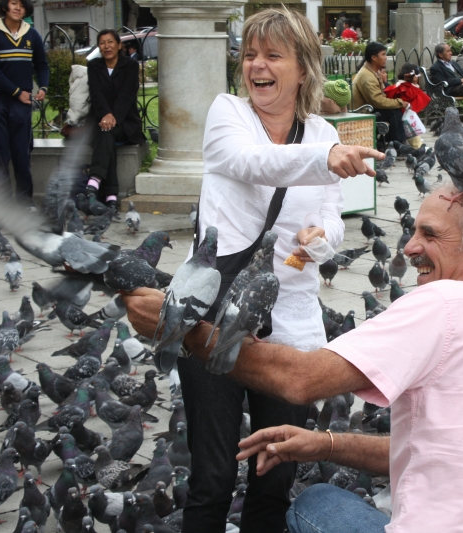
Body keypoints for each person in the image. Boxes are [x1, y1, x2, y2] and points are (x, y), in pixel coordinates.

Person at [121, 185, 463, 533]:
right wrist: (325, 444)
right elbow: (434, 449)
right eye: (414, 230)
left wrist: (182, 330)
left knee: (314, 502)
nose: (408, 247)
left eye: (430, 234)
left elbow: (301, 380)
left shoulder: (445, 304)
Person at [152, 8, 379, 533]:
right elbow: (250, 162)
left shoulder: (321, 130)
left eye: (273, 55)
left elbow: (333, 217)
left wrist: (320, 239)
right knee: (211, 479)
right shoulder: (227, 113)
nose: (257, 65)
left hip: (289, 321)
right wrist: (325, 156)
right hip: (213, 312)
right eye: (251, 54)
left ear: (303, 69)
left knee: (275, 475)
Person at [0, 0, 49, 208]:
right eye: (13, 3)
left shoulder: (32, 35)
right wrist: (17, 92)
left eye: (22, 4)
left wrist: (43, 87)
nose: (18, 8)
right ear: (5, 7)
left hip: (21, 102)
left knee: (22, 153)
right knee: (0, 155)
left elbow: (41, 65)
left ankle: (24, 203)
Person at [85, 29, 146, 212]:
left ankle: (95, 179)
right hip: (100, 121)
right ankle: (111, 196)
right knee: (106, 133)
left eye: (110, 42)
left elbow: (127, 95)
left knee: (107, 132)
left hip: (125, 122)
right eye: (102, 43)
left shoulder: (130, 66)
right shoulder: (94, 66)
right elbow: (96, 94)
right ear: (99, 47)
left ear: (119, 45)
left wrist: (113, 116)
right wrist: (105, 115)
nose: (107, 46)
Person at [351, 41, 411, 143]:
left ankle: (394, 143)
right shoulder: (367, 76)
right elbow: (378, 101)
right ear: (374, 57)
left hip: (370, 109)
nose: (386, 57)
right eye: (383, 54)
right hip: (363, 113)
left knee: (395, 107)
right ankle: (398, 145)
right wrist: (399, 102)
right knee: (394, 111)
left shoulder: (373, 71)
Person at [384, 63, 431, 148]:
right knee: (412, 132)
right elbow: (410, 95)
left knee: (412, 131)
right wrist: (414, 84)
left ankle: (417, 145)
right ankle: (418, 147)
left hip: (404, 113)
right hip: (404, 114)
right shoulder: (405, 86)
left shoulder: (401, 84)